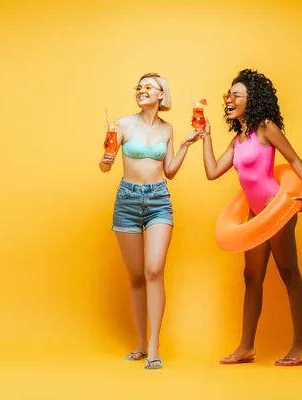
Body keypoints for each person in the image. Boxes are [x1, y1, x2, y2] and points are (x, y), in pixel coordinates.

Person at [199, 69, 302, 366]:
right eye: (229, 94)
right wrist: (206, 138)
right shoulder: (238, 139)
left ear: (252, 100)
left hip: (276, 209)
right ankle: (246, 347)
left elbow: (293, 159)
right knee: (251, 277)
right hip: (254, 212)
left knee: (289, 273)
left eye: (237, 94)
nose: (230, 98)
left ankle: (301, 344)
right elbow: (212, 172)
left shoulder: (266, 127)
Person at [99, 72, 203, 369]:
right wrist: (105, 161)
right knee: (136, 277)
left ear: (161, 94)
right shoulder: (122, 124)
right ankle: (142, 343)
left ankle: (155, 346)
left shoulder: (168, 129)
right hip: (127, 201)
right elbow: (105, 164)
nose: (141, 91)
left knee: (154, 270)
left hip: (159, 201)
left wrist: (184, 145)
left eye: (148, 87)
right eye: (139, 87)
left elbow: (169, 171)